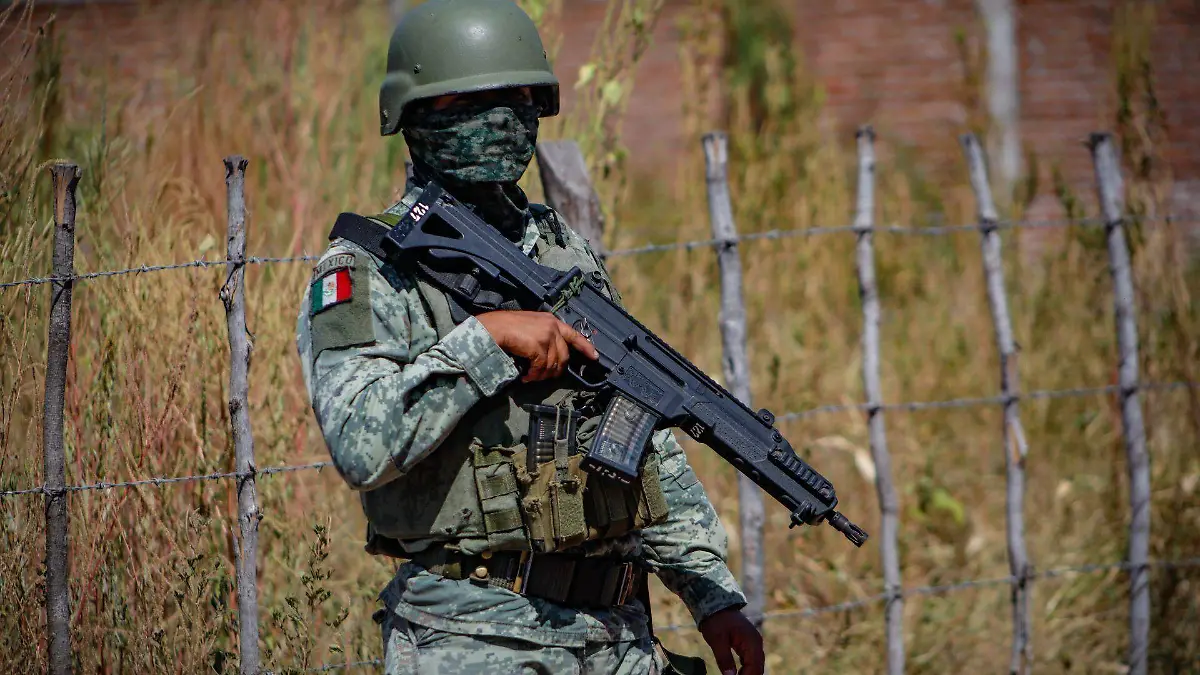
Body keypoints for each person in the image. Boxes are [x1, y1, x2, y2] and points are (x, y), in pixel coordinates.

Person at [296, 1, 765, 673]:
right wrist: (485, 341)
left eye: (518, 98)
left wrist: (711, 593)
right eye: (473, 100)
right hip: (474, 638)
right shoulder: (370, 269)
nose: (500, 117)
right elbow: (361, 444)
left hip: (615, 635)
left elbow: (642, 433)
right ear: (416, 115)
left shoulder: (559, 246)